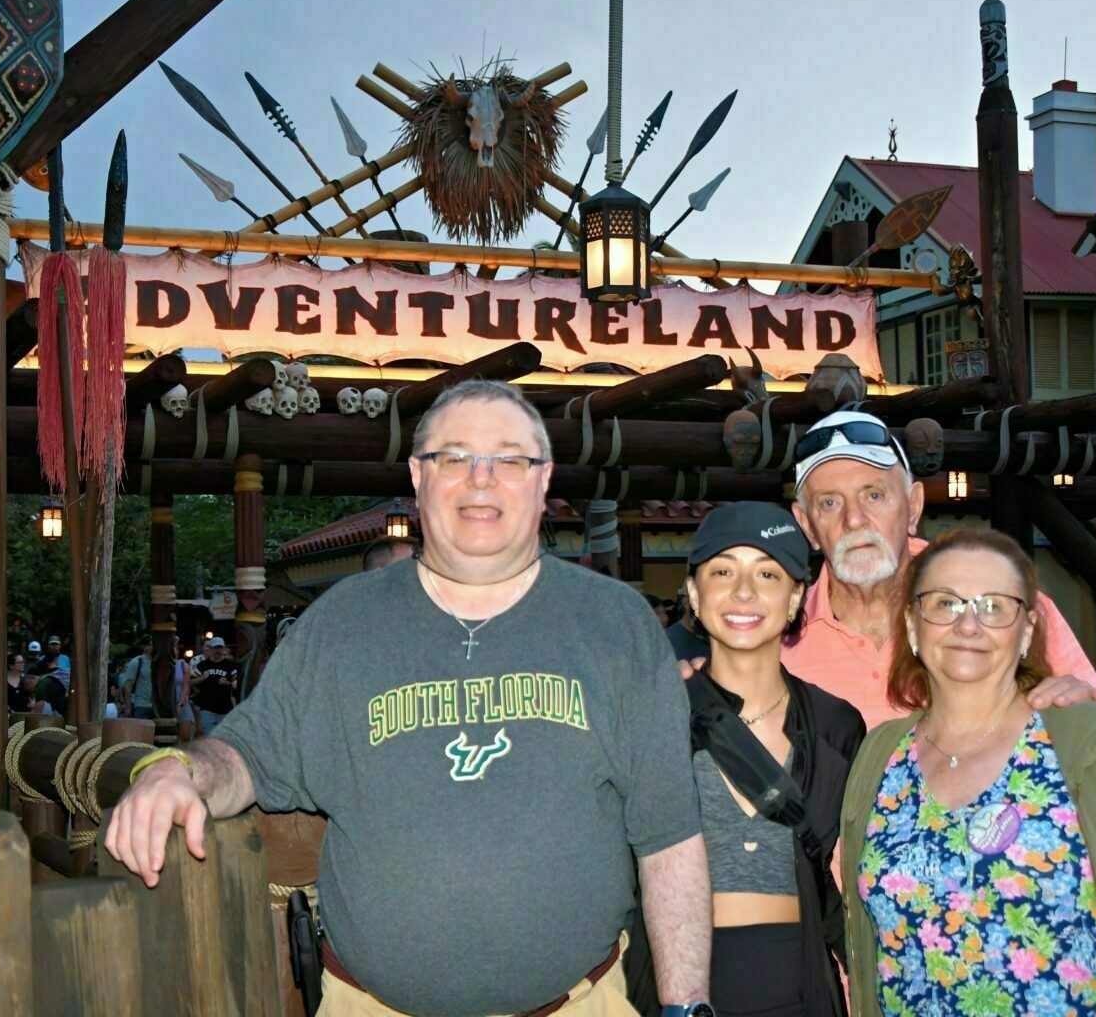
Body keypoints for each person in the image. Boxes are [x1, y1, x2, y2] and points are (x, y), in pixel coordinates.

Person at [106, 379, 713, 1017]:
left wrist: (685, 1008)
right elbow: (248, 757)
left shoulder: (617, 623)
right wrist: (175, 772)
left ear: (543, 480)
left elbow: (669, 838)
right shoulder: (342, 624)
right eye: (454, 457)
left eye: (509, 458)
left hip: (583, 1005)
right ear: (419, 479)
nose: (481, 480)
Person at [841, 528, 1096, 1016]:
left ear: (1026, 631)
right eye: (945, 603)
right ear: (913, 626)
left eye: (995, 606)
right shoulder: (880, 756)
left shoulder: (1094, 745)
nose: (968, 624)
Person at [785, 410, 1096, 730]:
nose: (854, 519)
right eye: (829, 503)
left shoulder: (1003, 603)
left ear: (914, 507)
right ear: (807, 526)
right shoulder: (778, 640)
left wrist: (1086, 713)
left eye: (874, 495)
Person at [681, 502, 863, 1016]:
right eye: (722, 571)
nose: (743, 592)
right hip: (679, 988)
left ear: (795, 596)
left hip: (800, 985)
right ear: (695, 593)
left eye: (767, 572)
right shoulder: (657, 717)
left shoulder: (837, 726)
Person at [189, 636, 240, 735]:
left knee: (223, 740)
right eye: (215, 648)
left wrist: (227, 683)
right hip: (207, 709)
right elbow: (190, 683)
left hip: (226, 709)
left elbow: (237, 684)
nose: (218, 650)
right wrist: (202, 678)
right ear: (211, 649)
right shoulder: (202, 665)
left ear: (224, 649)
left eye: (220, 648)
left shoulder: (230, 665)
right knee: (209, 739)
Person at [121, 639, 155, 719]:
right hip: (140, 704)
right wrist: (128, 707)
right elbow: (128, 685)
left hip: (155, 706)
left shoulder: (158, 663)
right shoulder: (137, 662)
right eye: (151, 644)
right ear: (145, 647)